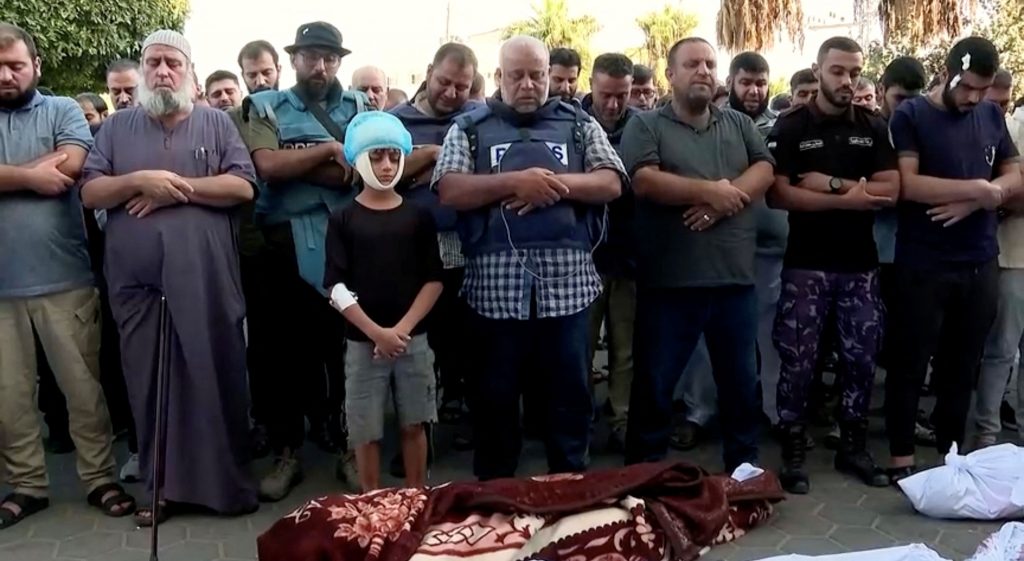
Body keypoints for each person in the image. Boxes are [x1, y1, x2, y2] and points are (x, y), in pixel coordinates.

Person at [80, 29, 259, 525]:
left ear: (189, 72)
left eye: (172, 63)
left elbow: (242, 186)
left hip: (205, 280)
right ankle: (160, 487)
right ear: (142, 70)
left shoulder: (216, 123)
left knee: (212, 371)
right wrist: (139, 180)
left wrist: (172, 189)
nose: (162, 71)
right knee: (149, 379)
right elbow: (91, 193)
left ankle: (225, 487)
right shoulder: (116, 129)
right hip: (137, 284)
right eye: (153, 62)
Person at [432, 35, 625, 480]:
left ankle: (569, 489)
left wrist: (551, 185)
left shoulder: (578, 124)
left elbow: (611, 181)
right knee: (494, 401)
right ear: (499, 77)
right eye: (516, 75)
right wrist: (515, 182)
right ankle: (496, 496)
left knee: (570, 398)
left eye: (537, 75)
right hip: (493, 296)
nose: (528, 85)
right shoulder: (469, 128)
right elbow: (450, 189)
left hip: (569, 292)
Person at [0, 22, 135, 530]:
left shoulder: (61, 110)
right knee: (9, 398)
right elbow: (46, 174)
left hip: (65, 279)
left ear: (35, 65)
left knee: (83, 390)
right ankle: (28, 486)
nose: (6, 75)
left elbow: (71, 166)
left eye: (15, 65)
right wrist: (30, 176)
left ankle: (99, 478)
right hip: (1, 290)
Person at [621, 37, 775, 472]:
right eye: (692, 64)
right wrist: (711, 191)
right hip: (670, 283)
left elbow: (765, 168)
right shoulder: (646, 125)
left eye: (710, 63)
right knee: (655, 386)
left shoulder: (738, 123)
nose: (704, 71)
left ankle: (743, 473)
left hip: (734, 281)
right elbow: (645, 180)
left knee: (740, 385)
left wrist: (726, 200)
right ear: (670, 74)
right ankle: (645, 476)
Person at [885, 37, 1021, 481]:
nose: (974, 98)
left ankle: (951, 455)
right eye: (967, 87)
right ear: (947, 73)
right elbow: (908, 184)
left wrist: (983, 196)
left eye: (983, 89)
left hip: (979, 260)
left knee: (962, 367)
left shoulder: (991, 116)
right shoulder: (912, 115)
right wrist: (977, 191)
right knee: (910, 360)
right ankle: (901, 457)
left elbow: (1014, 174)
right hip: (923, 261)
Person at [766, 37, 898, 493]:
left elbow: (890, 190)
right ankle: (793, 446)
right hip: (806, 265)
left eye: (855, 73)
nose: (848, 81)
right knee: (798, 361)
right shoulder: (792, 125)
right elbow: (778, 194)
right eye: (839, 71)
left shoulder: (873, 125)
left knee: (861, 360)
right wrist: (850, 195)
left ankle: (853, 446)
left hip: (860, 267)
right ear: (818, 69)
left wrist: (827, 184)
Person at [244, 21, 367, 500]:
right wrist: (330, 151)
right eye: (311, 56)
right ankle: (287, 451)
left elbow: (361, 172)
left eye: (329, 58)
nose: (320, 66)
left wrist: (305, 164)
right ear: (292, 59)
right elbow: (268, 166)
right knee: (282, 356)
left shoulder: (359, 107)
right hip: (282, 247)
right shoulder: (265, 106)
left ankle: (350, 449)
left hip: (345, 244)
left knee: (346, 352)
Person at [325, 111, 442, 491]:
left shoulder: (418, 216)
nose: (387, 165)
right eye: (376, 157)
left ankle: (416, 499)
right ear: (358, 159)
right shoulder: (343, 219)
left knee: (415, 423)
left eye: (394, 156)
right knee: (365, 431)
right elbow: (335, 287)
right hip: (363, 345)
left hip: (413, 341)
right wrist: (377, 333)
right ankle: (371, 504)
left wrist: (400, 331)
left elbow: (434, 279)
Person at [391, 42, 479, 432]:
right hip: (410, 248)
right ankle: (418, 427)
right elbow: (381, 176)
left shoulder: (478, 119)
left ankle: (459, 405)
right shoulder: (395, 122)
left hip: (466, 243)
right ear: (428, 72)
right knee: (418, 336)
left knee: (464, 332)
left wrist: (426, 171)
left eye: (462, 86)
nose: (451, 93)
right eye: (444, 82)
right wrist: (429, 156)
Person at [581, 52, 638, 451]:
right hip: (582, 261)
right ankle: (579, 421)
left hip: (630, 257)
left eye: (623, 95)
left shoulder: (644, 128)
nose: (614, 104)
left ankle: (622, 420)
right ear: (592, 86)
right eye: (606, 95)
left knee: (626, 349)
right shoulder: (573, 124)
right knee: (580, 349)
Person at [972, 69, 1024, 449]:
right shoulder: (1013, 126)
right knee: (1001, 350)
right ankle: (986, 433)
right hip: (1012, 256)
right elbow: (1006, 191)